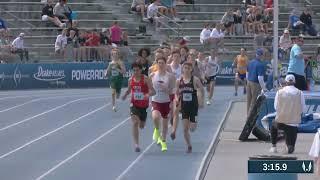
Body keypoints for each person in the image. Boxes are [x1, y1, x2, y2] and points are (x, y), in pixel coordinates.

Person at [122, 62, 155, 152]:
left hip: (143, 106)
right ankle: (136, 145)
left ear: (141, 70)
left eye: (137, 70)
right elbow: (129, 90)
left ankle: (143, 120)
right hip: (134, 104)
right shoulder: (130, 80)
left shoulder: (145, 79)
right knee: (135, 123)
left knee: (141, 126)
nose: (135, 72)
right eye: (134, 70)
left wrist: (147, 95)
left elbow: (153, 91)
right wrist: (125, 95)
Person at [270, 74, 305, 154]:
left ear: (286, 82)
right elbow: (302, 109)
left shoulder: (279, 92)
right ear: (294, 82)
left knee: (273, 124)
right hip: (293, 124)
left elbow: (276, 107)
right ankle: (289, 145)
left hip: (281, 121)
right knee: (291, 148)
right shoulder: (300, 93)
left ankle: (273, 146)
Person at [174, 62, 204, 153]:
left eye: (188, 68)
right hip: (184, 107)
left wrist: (201, 101)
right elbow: (176, 93)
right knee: (185, 129)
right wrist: (176, 99)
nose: (186, 69)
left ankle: (195, 121)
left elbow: (201, 90)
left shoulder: (195, 80)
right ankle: (189, 145)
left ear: (191, 69)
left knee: (192, 128)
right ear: (182, 69)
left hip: (193, 107)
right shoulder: (179, 80)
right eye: (185, 68)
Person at [150, 57, 175, 152]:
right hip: (156, 100)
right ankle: (156, 129)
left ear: (165, 64)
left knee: (165, 124)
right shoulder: (152, 75)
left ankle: (163, 141)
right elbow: (149, 88)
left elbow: (173, 91)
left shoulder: (170, 76)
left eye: (162, 63)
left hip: (166, 102)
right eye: (159, 63)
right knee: (155, 117)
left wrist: (167, 90)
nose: (160, 65)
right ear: (156, 64)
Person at [246, 48, 267, 114]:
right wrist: (264, 88)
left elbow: (247, 73)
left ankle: (247, 115)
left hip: (249, 82)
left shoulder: (250, 62)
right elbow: (260, 78)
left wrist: (248, 81)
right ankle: (250, 121)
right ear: (261, 55)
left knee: (249, 101)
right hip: (255, 84)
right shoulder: (260, 64)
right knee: (254, 102)